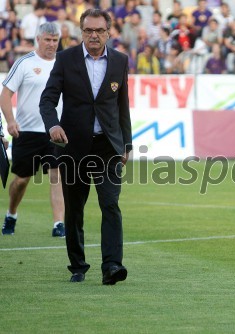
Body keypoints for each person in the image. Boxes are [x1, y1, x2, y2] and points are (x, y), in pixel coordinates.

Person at [39, 9, 132, 285]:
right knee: (75, 209)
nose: (94, 35)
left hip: (107, 147)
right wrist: (53, 125)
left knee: (110, 204)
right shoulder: (65, 59)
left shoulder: (120, 61)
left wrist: (126, 144)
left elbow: (122, 106)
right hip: (72, 146)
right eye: (89, 30)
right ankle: (78, 265)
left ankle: (112, 266)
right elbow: (47, 100)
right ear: (81, 32)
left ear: (108, 32)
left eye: (99, 31)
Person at [0, 22, 65, 237]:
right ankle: (11, 213)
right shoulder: (25, 63)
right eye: (47, 39)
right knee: (21, 180)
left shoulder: (64, 64)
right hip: (26, 131)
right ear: (38, 39)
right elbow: (5, 95)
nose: (51, 44)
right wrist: (10, 121)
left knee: (57, 176)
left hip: (55, 131)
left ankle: (58, 224)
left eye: (55, 40)